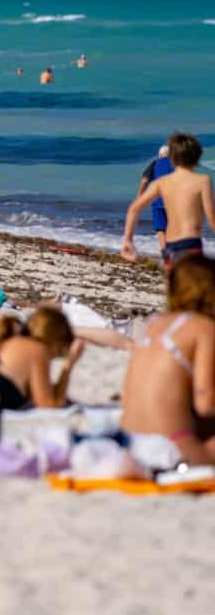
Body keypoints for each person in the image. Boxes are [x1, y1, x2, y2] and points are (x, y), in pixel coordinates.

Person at [119, 256, 215, 472]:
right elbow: (205, 403)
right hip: (171, 448)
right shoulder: (204, 328)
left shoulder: (154, 323)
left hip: (130, 443)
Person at [122, 131, 214, 268]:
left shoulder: (162, 182)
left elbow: (134, 209)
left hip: (172, 245)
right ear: (197, 158)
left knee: (176, 285)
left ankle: (166, 257)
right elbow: (212, 217)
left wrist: (128, 240)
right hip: (192, 245)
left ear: (173, 158)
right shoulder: (203, 181)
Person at [137, 144, 175, 259]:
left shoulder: (155, 164)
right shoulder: (178, 165)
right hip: (175, 202)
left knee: (160, 229)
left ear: (160, 155)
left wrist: (140, 197)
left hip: (158, 201)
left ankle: (165, 253)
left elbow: (144, 181)